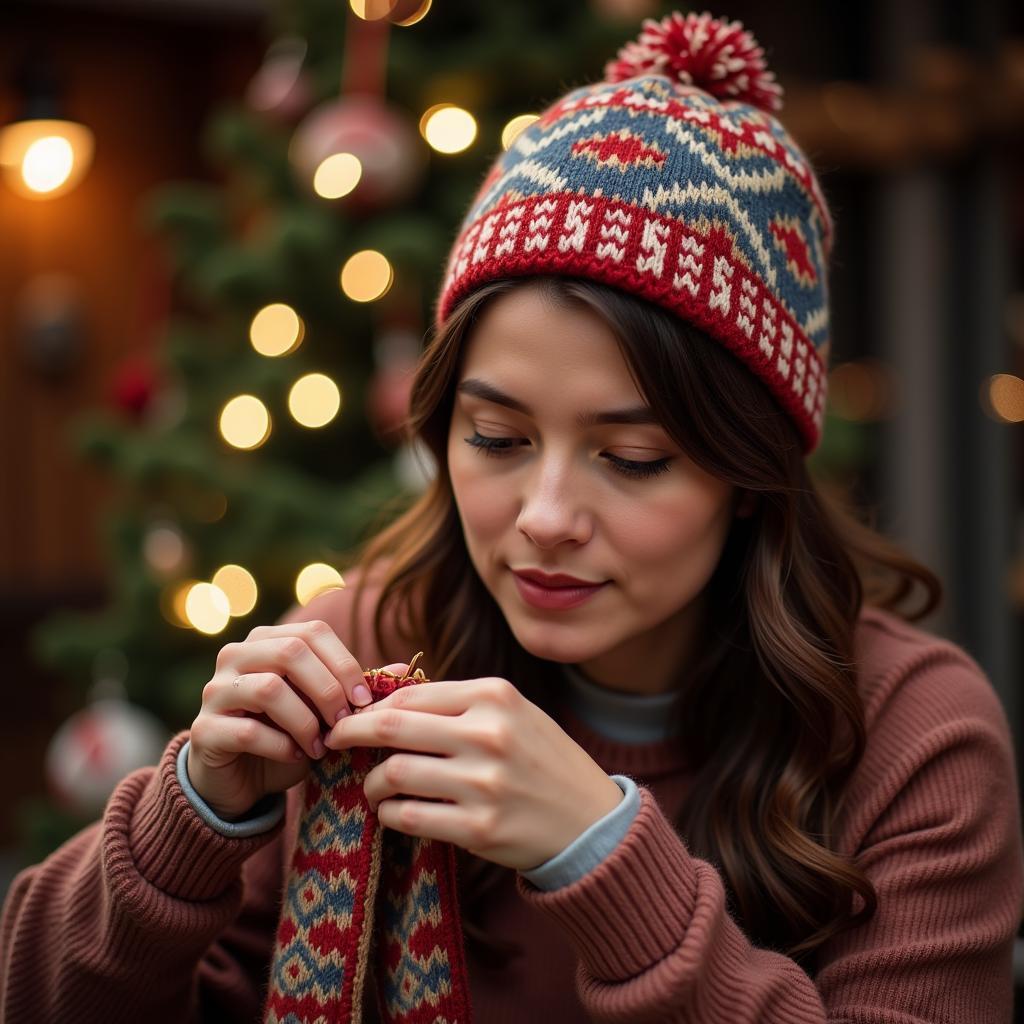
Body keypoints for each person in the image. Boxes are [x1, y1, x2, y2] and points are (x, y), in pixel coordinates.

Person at [3, 9, 1023, 1023]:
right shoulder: (369, 648)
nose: (543, 518)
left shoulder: (910, 735)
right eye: (496, 438)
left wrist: (597, 853)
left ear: (750, 472)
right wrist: (195, 812)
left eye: (630, 458)